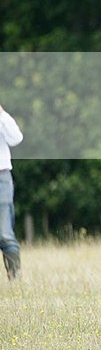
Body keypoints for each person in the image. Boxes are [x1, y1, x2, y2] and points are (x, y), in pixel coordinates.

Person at [0, 103, 23, 280]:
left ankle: (14, 280)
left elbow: (16, 138)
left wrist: (1, 113)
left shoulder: (3, 118)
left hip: (2, 177)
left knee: (5, 234)